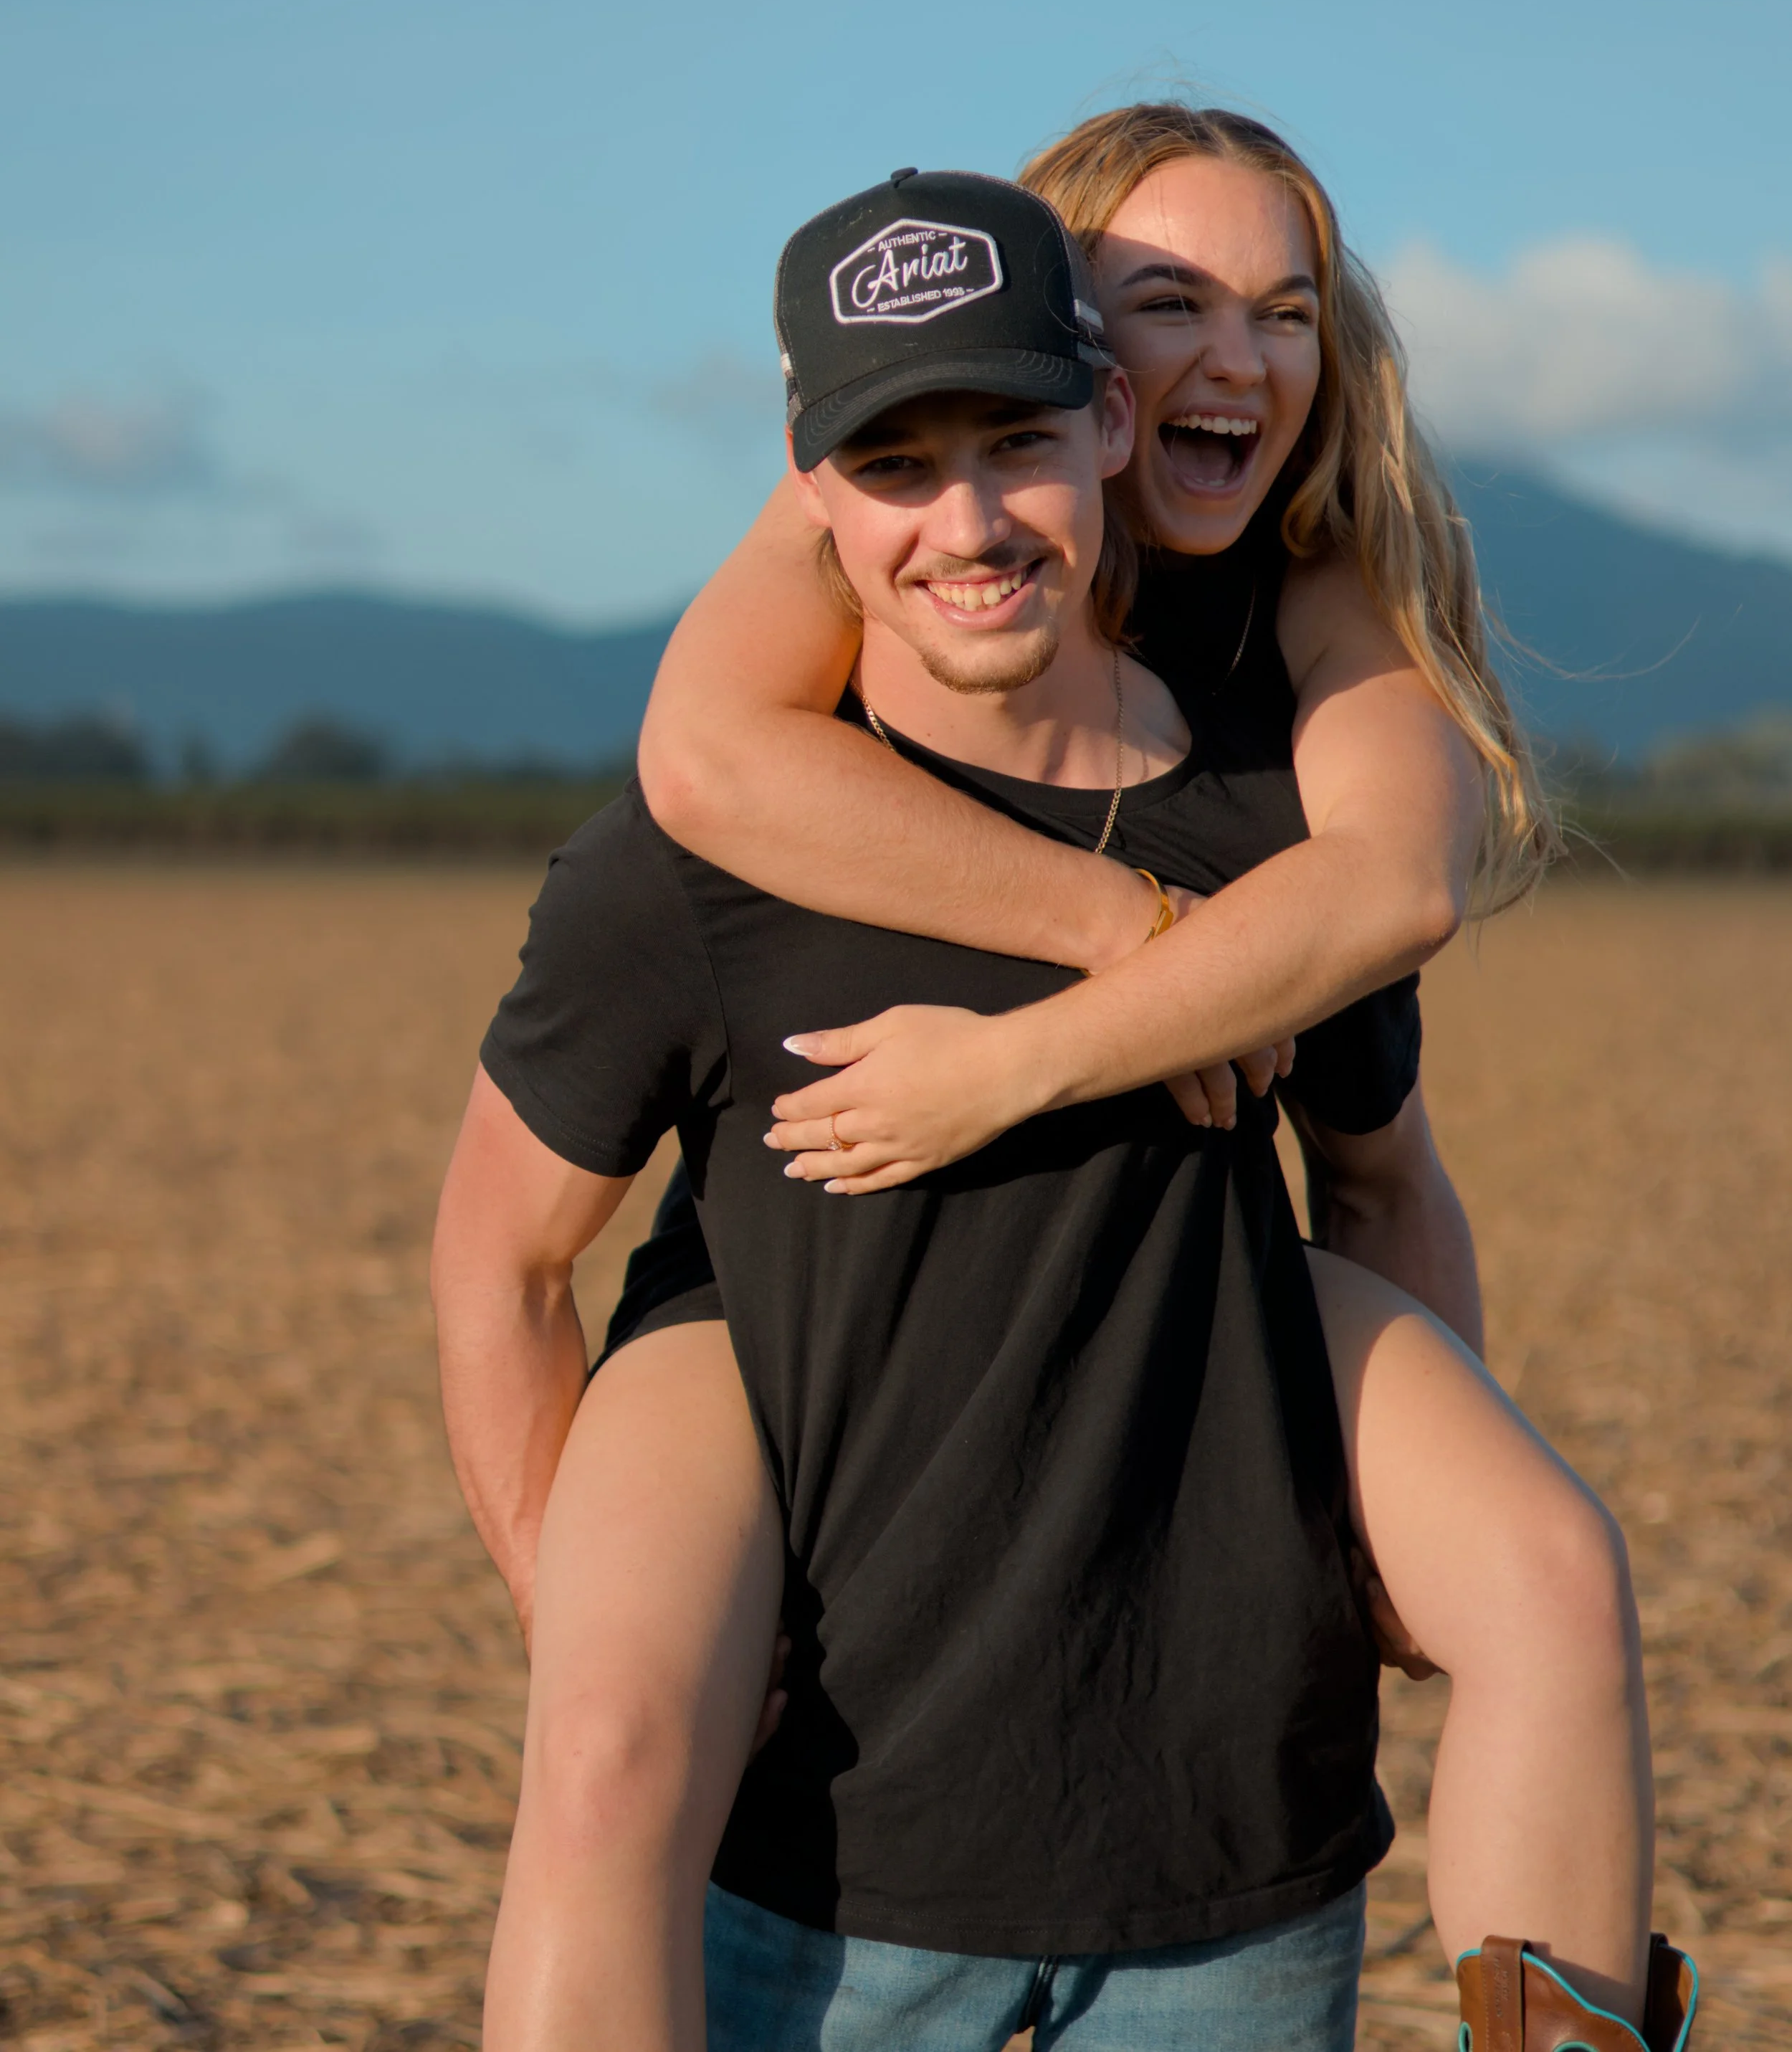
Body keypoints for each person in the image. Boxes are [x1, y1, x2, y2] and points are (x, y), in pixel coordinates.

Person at [434, 165, 1694, 2051]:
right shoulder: (705, 832)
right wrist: (582, 1614)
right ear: (805, 480)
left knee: (1542, 1558)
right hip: (826, 1879)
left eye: (1014, 439)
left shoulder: (1284, 785)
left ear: (1099, 424)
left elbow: (1375, 1173)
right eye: (894, 462)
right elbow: (495, 1257)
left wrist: (1372, 1534)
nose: (965, 514)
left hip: (1222, 1866)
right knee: (601, 1745)